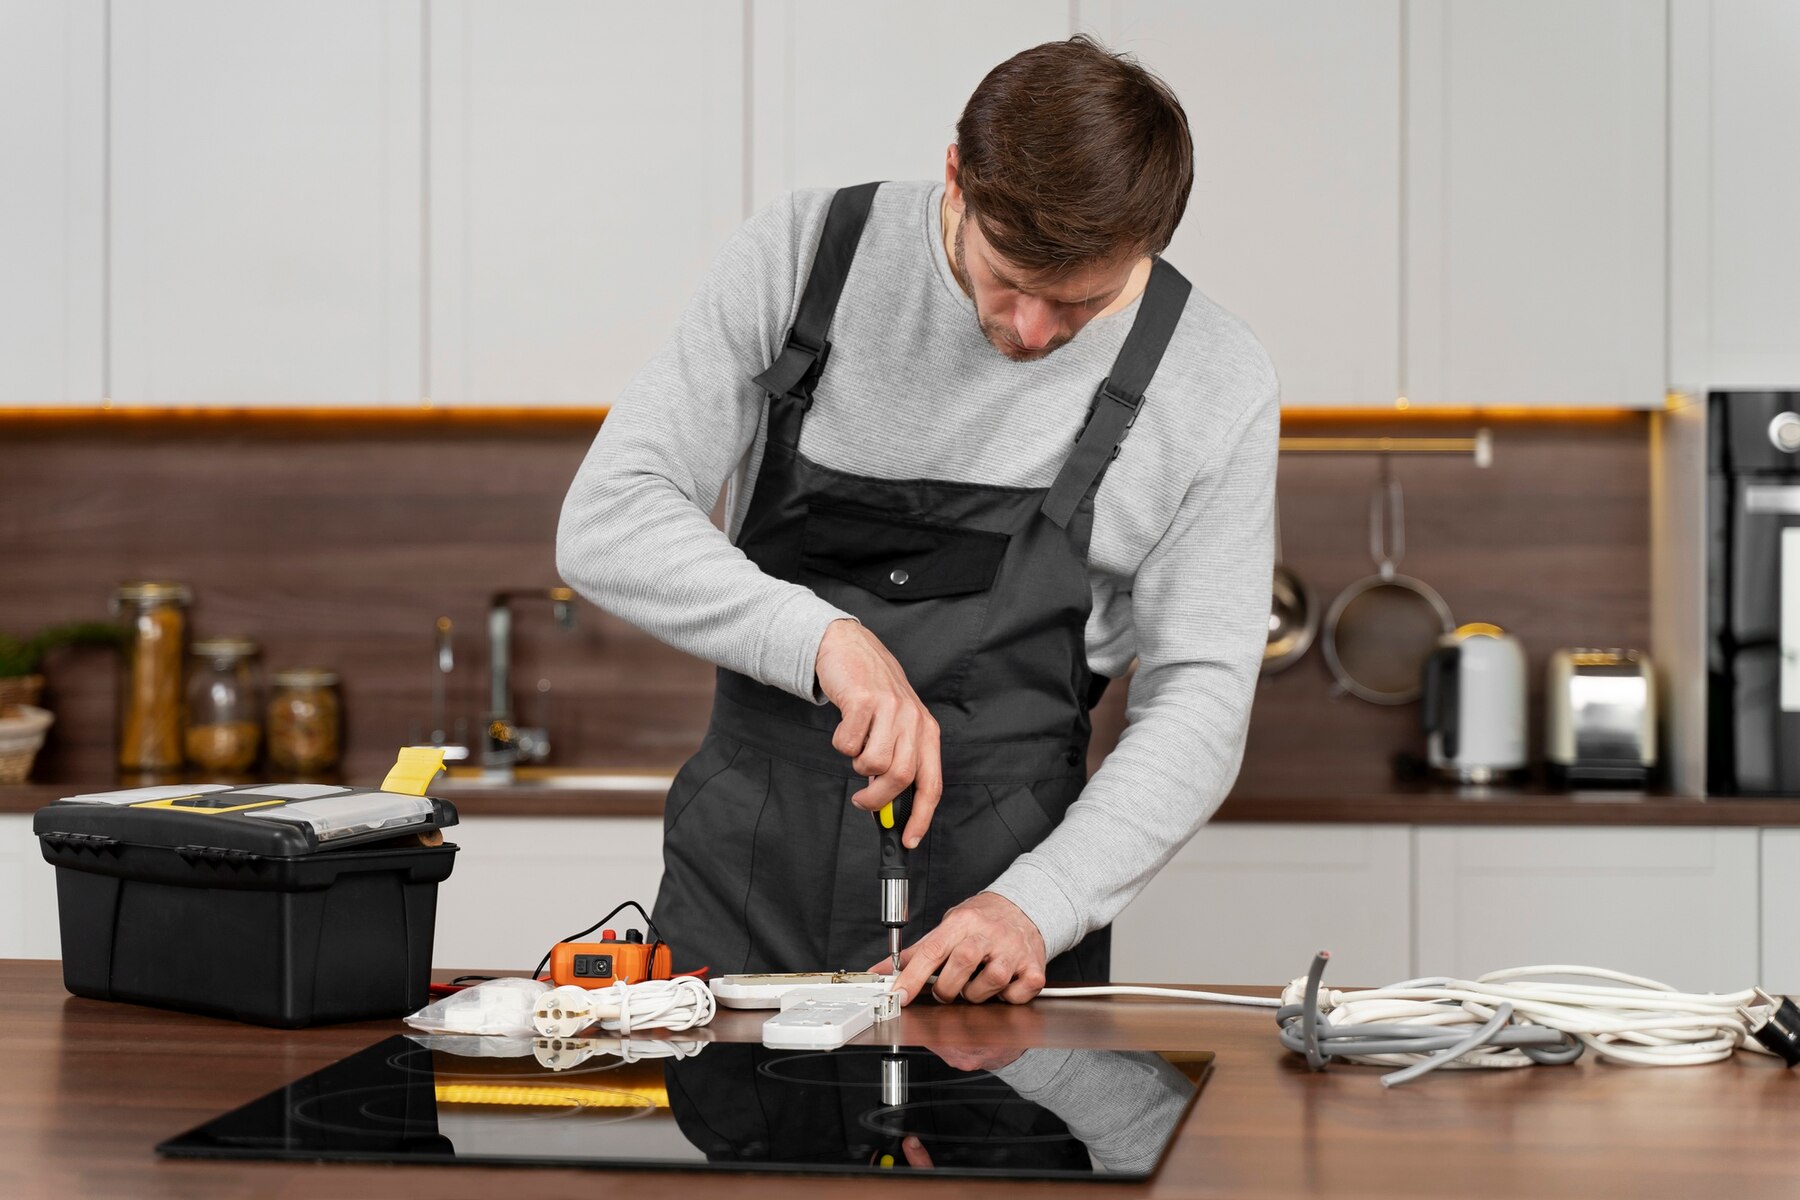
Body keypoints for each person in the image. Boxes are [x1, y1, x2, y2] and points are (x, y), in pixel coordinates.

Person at [556, 36, 1277, 1007]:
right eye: (1008, 278)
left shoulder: (1212, 378)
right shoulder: (808, 258)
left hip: (997, 918)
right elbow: (609, 516)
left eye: (1081, 304)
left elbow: (1200, 696)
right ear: (955, 178)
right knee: (729, 1157)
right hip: (742, 882)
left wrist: (1042, 903)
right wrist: (828, 641)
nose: (1030, 333)